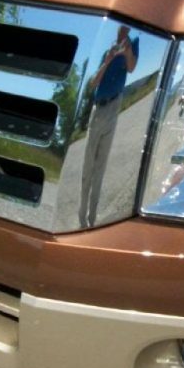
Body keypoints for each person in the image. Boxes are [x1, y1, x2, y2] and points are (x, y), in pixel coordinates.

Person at [78, 25, 139, 228]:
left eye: (126, 28)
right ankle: (81, 216)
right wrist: (108, 60)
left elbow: (131, 68)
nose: (123, 30)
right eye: (120, 28)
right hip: (98, 109)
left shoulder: (133, 44)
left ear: (128, 30)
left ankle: (92, 218)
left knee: (101, 167)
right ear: (118, 30)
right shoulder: (108, 52)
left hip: (113, 107)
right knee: (88, 165)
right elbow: (93, 84)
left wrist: (126, 50)